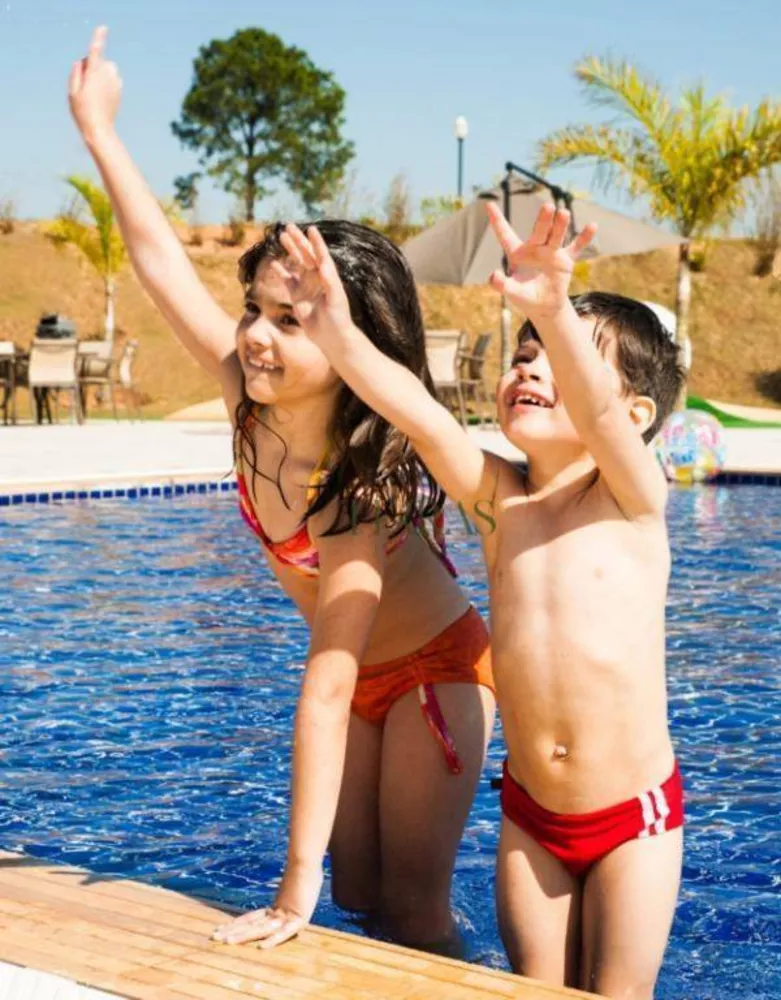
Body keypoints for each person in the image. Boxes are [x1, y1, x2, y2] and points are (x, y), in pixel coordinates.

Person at [68, 27, 496, 955]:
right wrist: (100, 130)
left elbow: (326, 680)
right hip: (358, 686)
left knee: (411, 909)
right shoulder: (246, 403)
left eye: (290, 321)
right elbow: (159, 263)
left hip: (434, 675)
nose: (258, 337)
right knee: (362, 894)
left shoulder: (357, 495)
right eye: (255, 311)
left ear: (350, 345)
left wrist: (286, 891)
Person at [268, 205, 686, 997]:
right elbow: (418, 413)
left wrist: (552, 310)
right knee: (532, 988)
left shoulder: (632, 499)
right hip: (533, 816)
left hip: (635, 819)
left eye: (556, 361)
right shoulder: (502, 504)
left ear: (636, 416)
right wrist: (335, 330)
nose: (528, 367)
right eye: (521, 355)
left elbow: (596, 413)